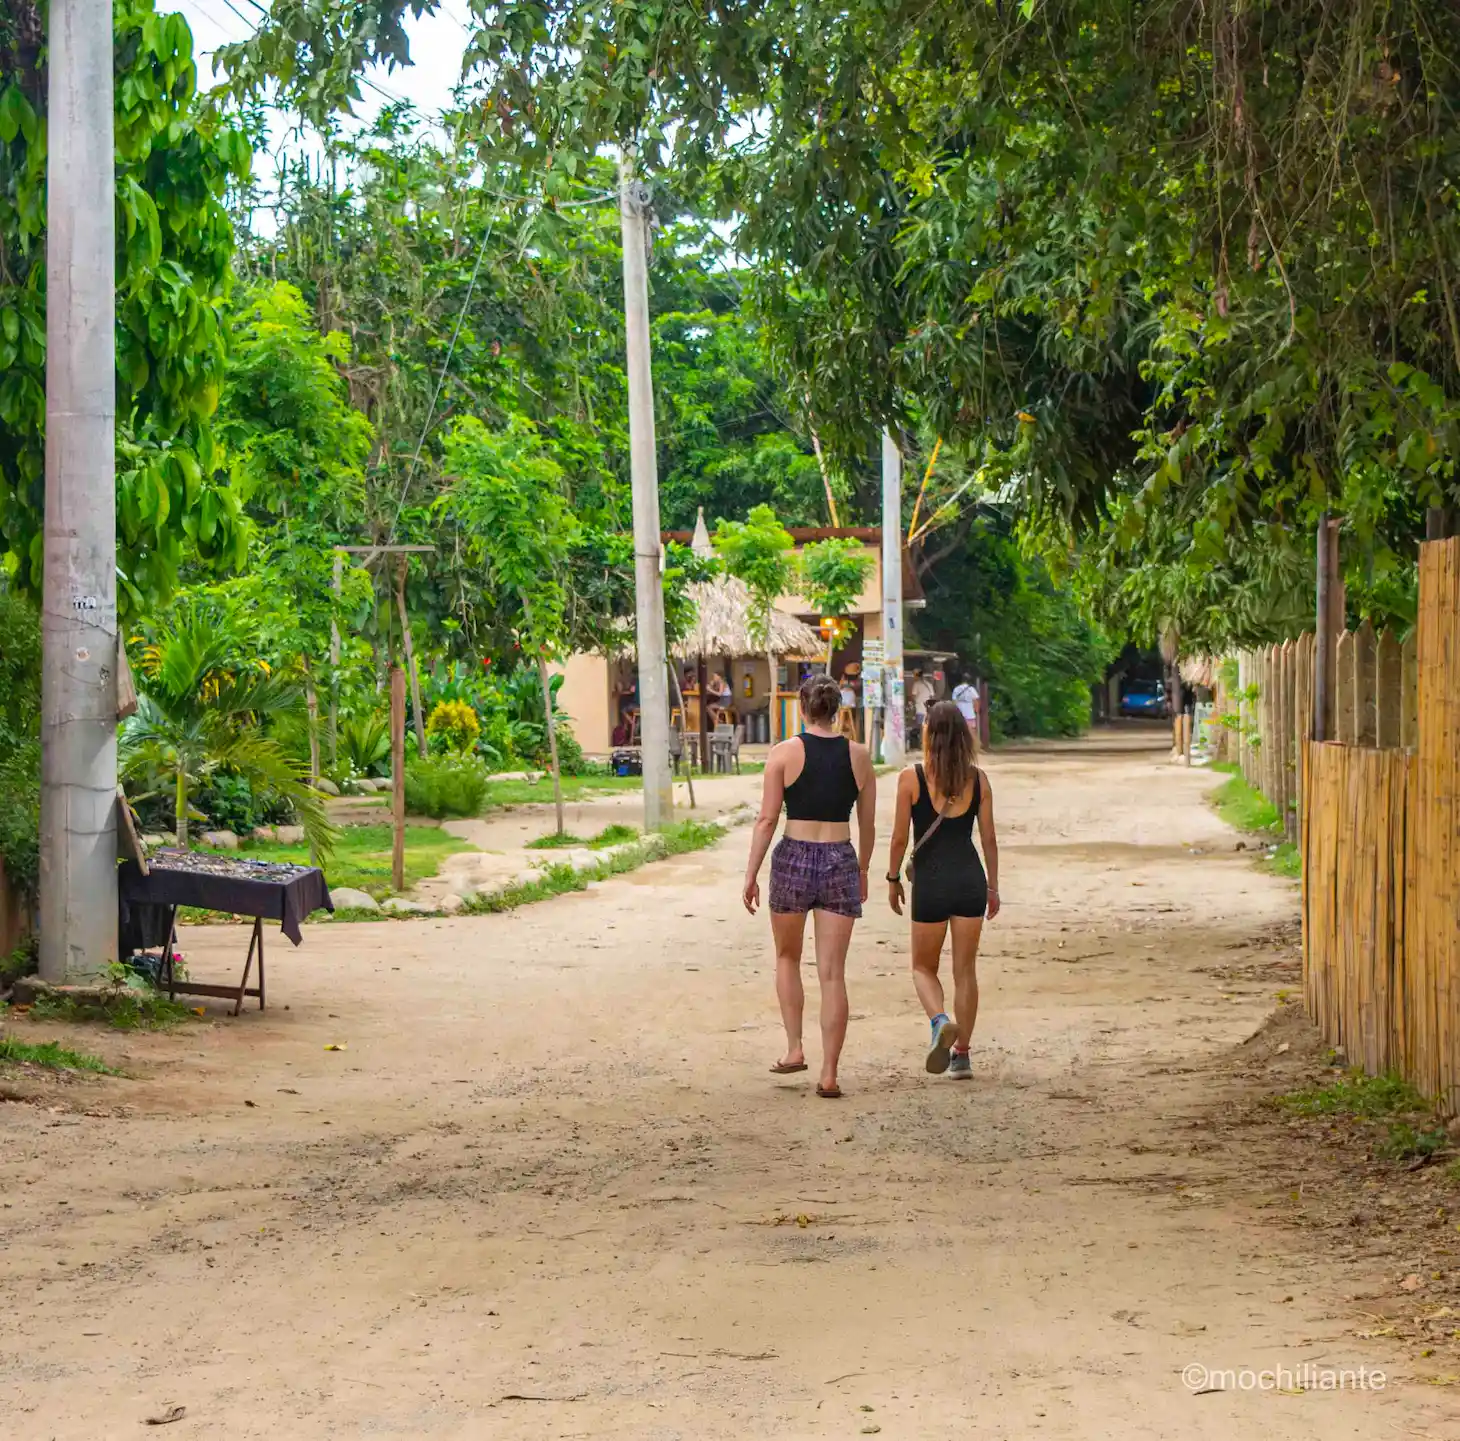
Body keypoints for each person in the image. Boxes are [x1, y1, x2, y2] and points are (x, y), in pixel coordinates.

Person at [743, 674, 876, 1098]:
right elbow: (868, 824)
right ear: (837, 710)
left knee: (787, 956)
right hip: (840, 856)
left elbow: (766, 821)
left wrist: (750, 873)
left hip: (793, 856)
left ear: (803, 708)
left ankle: (795, 1047)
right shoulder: (859, 756)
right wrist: (864, 870)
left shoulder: (783, 754)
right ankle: (830, 1073)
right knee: (832, 974)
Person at [885, 699, 1001, 1080]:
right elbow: (988, 838)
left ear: (929, 734)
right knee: (965, 970)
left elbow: (900, 837)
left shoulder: (911, 779)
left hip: (931, 883)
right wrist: (993, 888)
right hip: (969, 878)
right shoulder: (978, 780)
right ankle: (962, 1055)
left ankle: (939, 1021)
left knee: (922, 967)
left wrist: (892, 878)